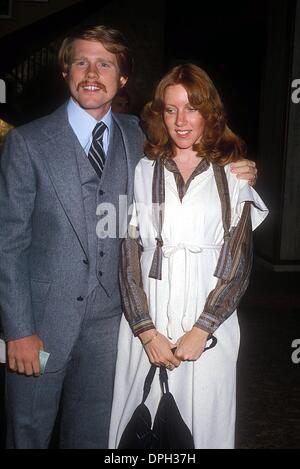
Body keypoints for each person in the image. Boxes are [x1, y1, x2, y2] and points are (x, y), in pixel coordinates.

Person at [0, 25, 257, 449]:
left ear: (121, 80)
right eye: (80, 61)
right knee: (26, 434)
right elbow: (8, 244)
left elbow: (193, 161)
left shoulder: (139, 138)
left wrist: (241, 168)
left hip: (111, 329)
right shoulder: (27, 143)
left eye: (105, 64)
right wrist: (17, 330)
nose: (91, 73)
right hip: (40, 331)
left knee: (94, 438)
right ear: (65, 72)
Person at [109, 63, 268, 449]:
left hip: (209, 323)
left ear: (208, 113)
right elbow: (128, 256)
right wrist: (146, 331)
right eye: (171, 109)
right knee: (135, 425)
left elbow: (239, 263)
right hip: (147, 320)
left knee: (205, 427)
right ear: (159, 114)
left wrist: (202, 329)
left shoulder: (232, 175)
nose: (181, 121)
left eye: (192, 108)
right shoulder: (143, 171)